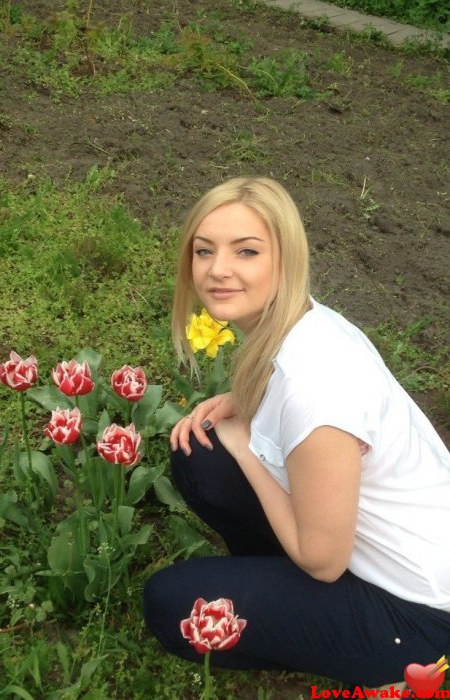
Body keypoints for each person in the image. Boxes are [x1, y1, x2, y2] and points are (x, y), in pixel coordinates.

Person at [143, 176, 450, 690]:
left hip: (423, 616)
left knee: (171, 605)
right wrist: (245, 401)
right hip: (396, 555)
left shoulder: (316, 392)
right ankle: (283, 600)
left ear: (285, 259)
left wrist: (244, 448)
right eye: (204, 250)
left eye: (246, 251)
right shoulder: (308, 322)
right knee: (203, 454)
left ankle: (389, 669)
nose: (218, 269)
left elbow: (323, 562)